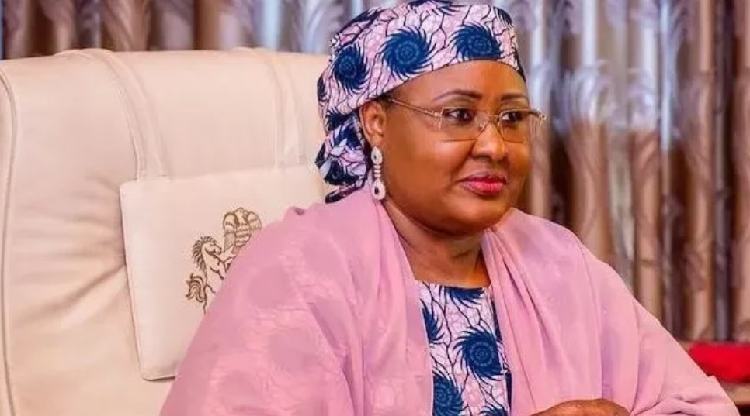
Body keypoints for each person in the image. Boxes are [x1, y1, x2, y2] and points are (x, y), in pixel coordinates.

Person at [162, 1, 739, 415]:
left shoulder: (560, 263)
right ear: (376, 124)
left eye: (512, 118)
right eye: (459, 115)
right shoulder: (301, 268)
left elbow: (696, 405)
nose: (494, 146)